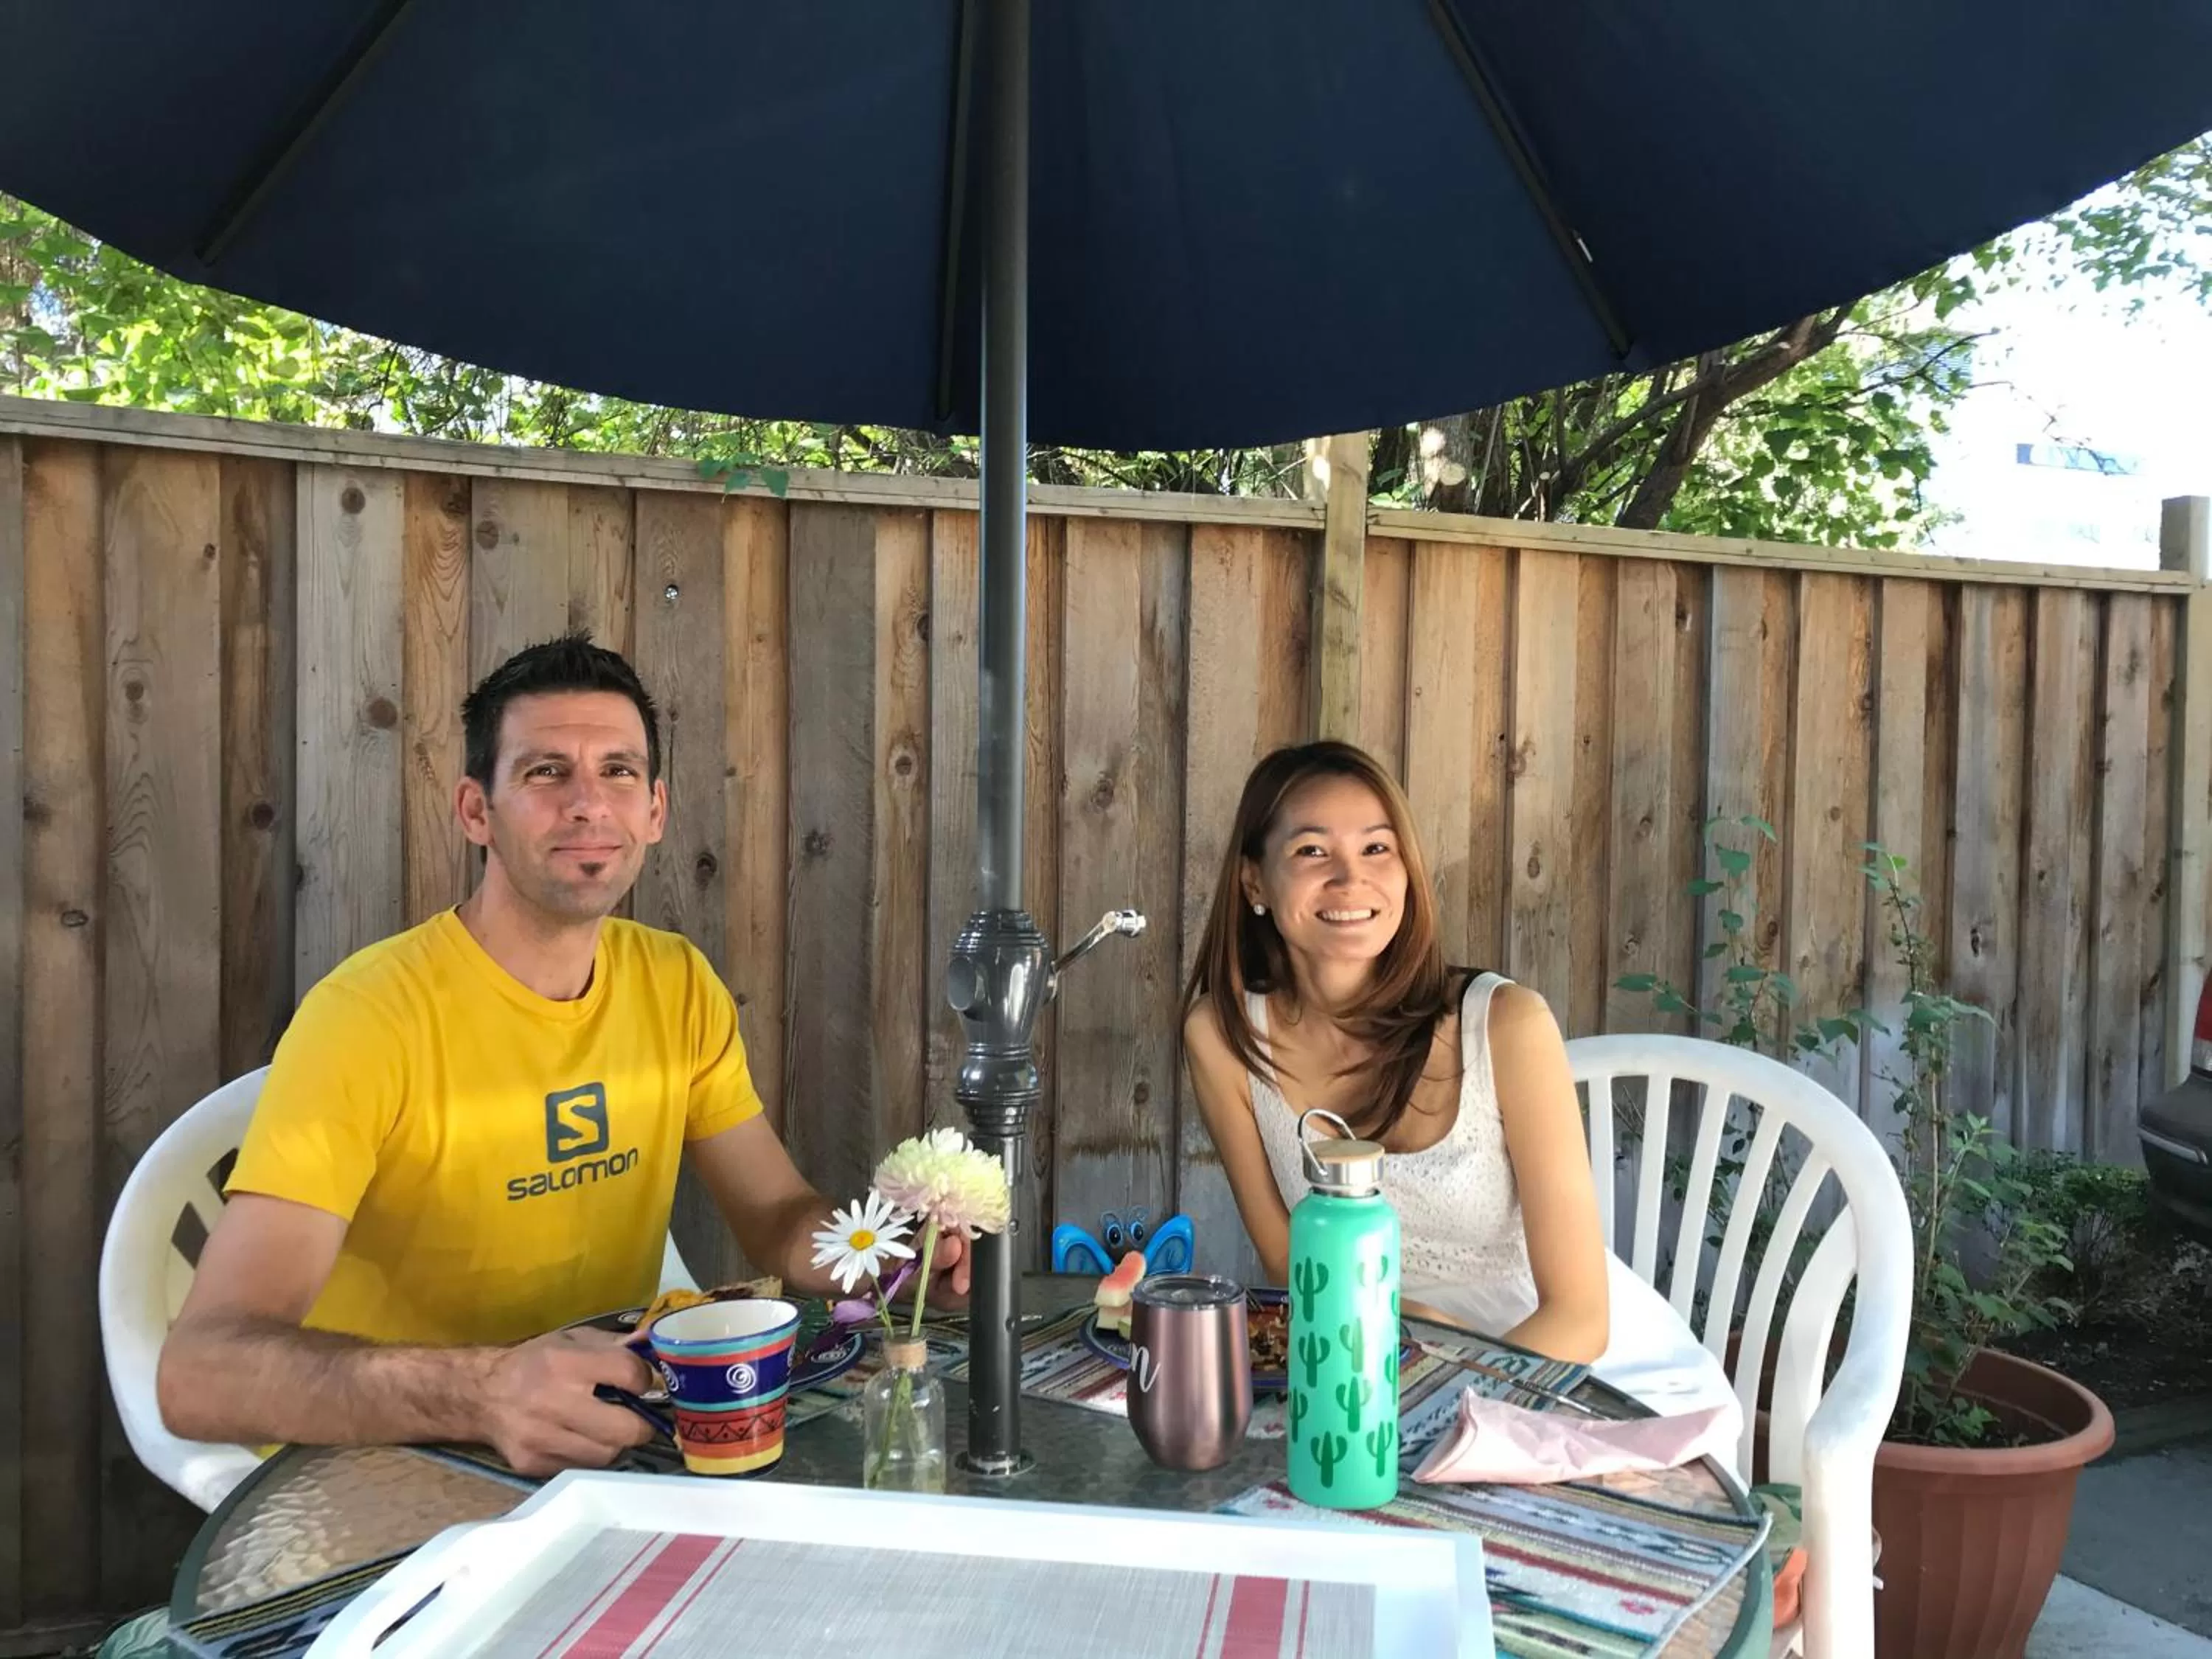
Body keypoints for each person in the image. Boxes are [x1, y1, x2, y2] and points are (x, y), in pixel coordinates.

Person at [157, 634, 966, 1476]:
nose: (589, 803)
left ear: (655, 810)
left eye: (618, 771)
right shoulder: (367, 1019)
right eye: (547, 772)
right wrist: (483, 1391)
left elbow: (775, 1219)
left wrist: (886, 1259)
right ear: (477, 811)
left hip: (615, 1446)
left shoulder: (676, 984)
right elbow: (200, 1372)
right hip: (397, 1467)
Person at [1180, 740, 1737, 1427]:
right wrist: (1403, 1338)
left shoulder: (1506, 1025)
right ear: (1254, 883)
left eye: (1378, 850)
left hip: (1574, 1376)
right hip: (1381, 1369)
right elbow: (1288, 1259)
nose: (1351, 880)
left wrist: (1450, 1390)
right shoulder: (1225, 1038)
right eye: (1312, 852)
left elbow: (1581, 1318)